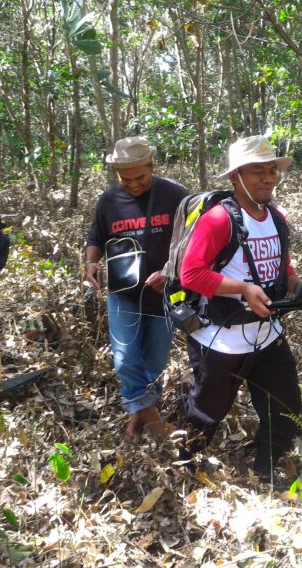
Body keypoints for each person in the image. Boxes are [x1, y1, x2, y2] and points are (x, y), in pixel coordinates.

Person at [178, 135, 302, 482]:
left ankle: (265, 470)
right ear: (235, 177)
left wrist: (297, 285)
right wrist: (244, 289)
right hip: (222, 340)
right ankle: (185, 470)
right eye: (256, 172)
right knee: (206, 414)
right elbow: (191, 274)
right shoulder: (219, 219)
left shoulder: (275, 217)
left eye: (272, 171)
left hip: (268, 335)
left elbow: (282, 263)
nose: (267, 179)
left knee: (286, 410)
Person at [85, 136, 188, 443]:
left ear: (152, 167)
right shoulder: (109, 201)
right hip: (123, 291)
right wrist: (90, 263)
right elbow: (96, 237)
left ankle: (135, 418)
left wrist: (169, 271)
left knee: (153, 365)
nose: (133, 184)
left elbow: (195, 242)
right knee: (126, 360)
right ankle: (154, 421)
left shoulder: (176, 195)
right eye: (125, 178)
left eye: (140, 177)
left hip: (164, 293)